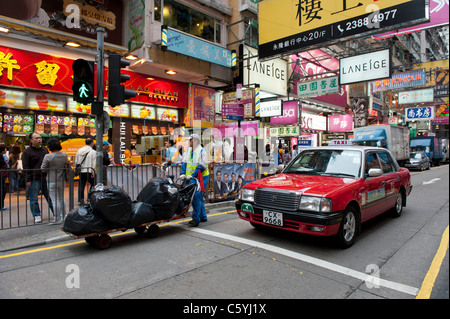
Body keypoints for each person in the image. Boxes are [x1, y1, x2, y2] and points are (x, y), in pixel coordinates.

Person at [21, 132, 54, 223]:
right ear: (31, 140)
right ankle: (36, 214)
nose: (39, 140)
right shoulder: (27, 152)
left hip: (45, 177)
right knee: (34, 197)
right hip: (34, 178)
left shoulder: (44, 149)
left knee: (49, 196)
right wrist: (27, 179)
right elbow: (26, 167)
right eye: (36, 138)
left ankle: (55, 212)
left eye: (40, 138)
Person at [180, 134, 209, 227]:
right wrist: (182, 173)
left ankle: (196, 219)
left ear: (195, 141)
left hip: (201, 177)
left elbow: (202, 167)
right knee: (199, 196)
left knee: (196, 197)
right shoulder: (188, 150)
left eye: (191, 140)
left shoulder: (202, 151)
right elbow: (184, 162)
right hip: (192, 177)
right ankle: (203, 216)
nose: (189, 142)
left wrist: (192, 175)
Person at [41, 138, 69, 224]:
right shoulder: (64, 155)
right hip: (62, 179)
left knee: (54, 199)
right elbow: (67, 164)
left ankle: (57, 218)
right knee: (61, 198)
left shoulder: (48, 156)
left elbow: (43, 169)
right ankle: (64, 216)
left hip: (51, 179)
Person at [75, 137, 96, 205]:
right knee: (93, 183)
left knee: (81, 185)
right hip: (89, 170)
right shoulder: (93, 152)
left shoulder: (79, 150)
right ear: (91, 143)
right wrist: (93, 172)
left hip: (81, 170)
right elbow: (93, 163)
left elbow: (76, 161)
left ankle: (80, 200)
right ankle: (90, 197)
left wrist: (76, 168)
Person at [0, 144, 8, 211]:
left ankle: (1, 205)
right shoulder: (0, 156)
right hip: (1, 175)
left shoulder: (2, 156)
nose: (6, 150)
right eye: (5, 148)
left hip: (2, 175)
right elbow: (3, 164)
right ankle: (1, 206)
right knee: (2, 190)